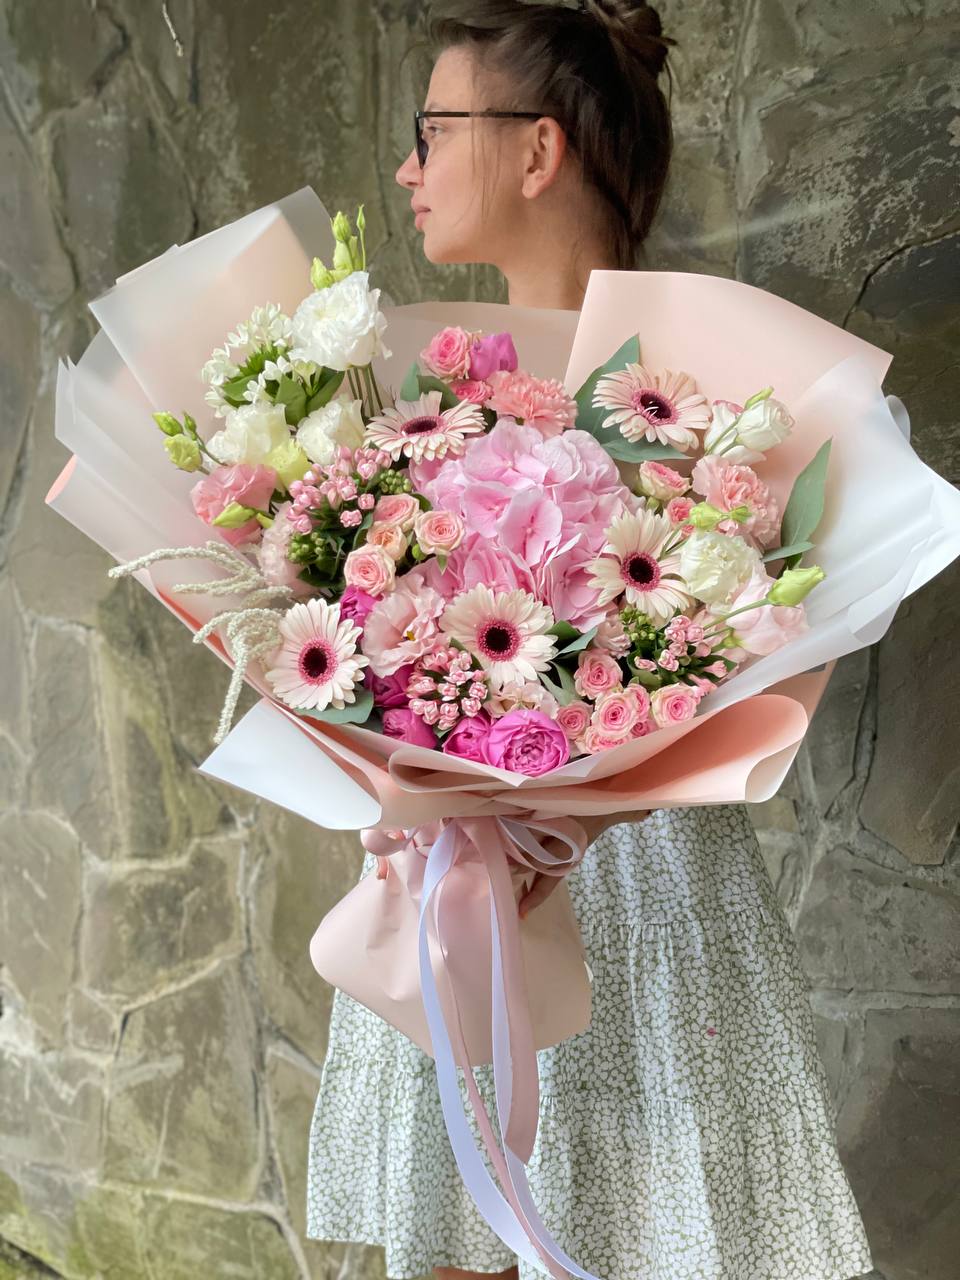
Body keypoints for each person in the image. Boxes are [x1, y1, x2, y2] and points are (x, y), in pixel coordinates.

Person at [306, 3, 876, 1278]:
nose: (407, 166)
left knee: (663, 1238)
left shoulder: (711, 403)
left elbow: (751, 628)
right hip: (459, 879)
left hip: (644, 888)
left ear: (536, 149)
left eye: (433, 131)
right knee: (460, 1243)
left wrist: (579, 798)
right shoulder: (419, 399)